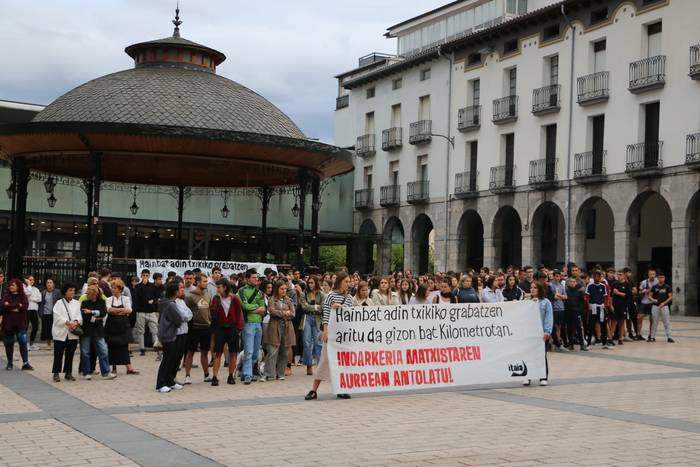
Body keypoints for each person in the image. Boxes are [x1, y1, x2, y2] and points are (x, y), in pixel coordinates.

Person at [306, 272, 354, 400]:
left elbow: (351, 314)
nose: (348, 284)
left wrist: (341, 307)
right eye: (346, 281)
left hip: (344, 334)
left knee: (343, 362)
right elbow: (326, 315)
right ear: (339, 282)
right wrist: (325, 331)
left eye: (349, 282)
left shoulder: (349, 297)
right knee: (325, 360)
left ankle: (341, 388)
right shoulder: (330, 296)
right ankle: (313, 389)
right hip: (332, 333)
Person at [210, 278, 243, 386]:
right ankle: (214, 377)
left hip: (232, 328)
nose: (217, 289)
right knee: (217, 353)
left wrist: (238, 329)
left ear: (225, 287)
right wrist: (216, 302)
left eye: (219, 287)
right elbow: (212, 311)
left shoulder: (234, 298)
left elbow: (239, 314)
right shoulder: (216, 298)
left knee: (233, 353)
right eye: (216, 287)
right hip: (220, 328)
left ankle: (230, 376)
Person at [79, 285, 116, 380]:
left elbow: (103, 313)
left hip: (98, 331)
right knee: (85, 352)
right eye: (87, 293)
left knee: (103, 350)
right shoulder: (84, 302)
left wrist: (91, 312)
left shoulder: (102, 302)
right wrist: (96, 316)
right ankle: (86, 372)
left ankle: (106, 372)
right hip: (86, 331)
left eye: (89, 294)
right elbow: (84, 317)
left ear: (95, 294)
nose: (87, 295)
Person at [156, 278, 185, 393]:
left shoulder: (167, 303)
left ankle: (170, 381)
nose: (181, 291)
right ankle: (160, 383)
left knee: (171, 359)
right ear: (175, 292)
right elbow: (179, 319)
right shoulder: (171, 305)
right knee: (167, 360)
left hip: (169, 334)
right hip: (168, 335)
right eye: (179, 289)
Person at [104, 279, 139, 375]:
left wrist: (116, 310)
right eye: (112, 288)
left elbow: (129, 310)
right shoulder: (109, 299)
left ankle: (129, 368)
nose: (113, 290)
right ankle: (113, 368)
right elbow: (109, 310)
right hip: (111, 326)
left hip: (123, 326)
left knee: (124, 346)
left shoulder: (125, 299)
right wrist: (121, 310)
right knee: (111, 346)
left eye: (115, 288)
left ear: (120, 289)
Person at [264, 280, 295, 381]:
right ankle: (268, 373)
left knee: (284, 352)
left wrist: (283, 313)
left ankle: (280, 373)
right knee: (272, 351)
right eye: (282, 289)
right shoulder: (272, 299)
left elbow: (293, 313)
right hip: (274, 327)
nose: (284, 291)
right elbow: (272, 311)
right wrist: (285, 313)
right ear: (277, 289)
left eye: (285, 289)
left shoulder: (288, 300)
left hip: (286, 327)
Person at [184, 272, 212, 384]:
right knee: (190, 352)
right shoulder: (190, 296)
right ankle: (187, 376)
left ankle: (206, 375)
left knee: (205, 352)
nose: (206, 283)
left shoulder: (207, 294)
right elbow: (186, 311)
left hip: (206, 327)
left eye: (207, 281)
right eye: (204, 281)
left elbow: (208, 311)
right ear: (198, 282)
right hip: (194, 327)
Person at [239, 269, 266, 385]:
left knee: (255, 352)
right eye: (254, 277)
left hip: (258, 324)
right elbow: (244, 306)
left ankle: (247, 371)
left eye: (257, 278)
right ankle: (247, 375)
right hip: (248, 323)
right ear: (247, 278)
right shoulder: (241, 291)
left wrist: (254, 309)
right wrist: (257, 309)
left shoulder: (260, 293)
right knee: (248, 351)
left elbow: (264, 309)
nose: (256, 280)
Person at [51, 282, 83, 382]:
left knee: (70, 354)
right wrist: (67, 322)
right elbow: (56, 316)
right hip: (61, 332)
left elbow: (79, 316)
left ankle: (68, 373)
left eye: (73, 290)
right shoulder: (59, 303)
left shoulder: (77, 303)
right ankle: (56, 373)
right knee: (58, 354)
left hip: (72, 333)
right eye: (70, 290)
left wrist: (76, 322)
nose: (72, 292)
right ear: (65, 292)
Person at [524, 282, 552, 387]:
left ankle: (543, 376)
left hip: (541, 333)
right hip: (528, 333)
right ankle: (527, 376)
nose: (532, 289)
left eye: (535, 287)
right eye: (531, 287)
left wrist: (547, 331)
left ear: (539, 289)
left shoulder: (545, 302)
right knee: (527, 355)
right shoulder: (526, 301)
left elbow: (549, 317)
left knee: (541, 355)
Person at [1, 278, 33, 371]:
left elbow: (24, 307)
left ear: (18, 286)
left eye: (13, 285)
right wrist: (17, 305)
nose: (11, 286)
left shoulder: (23, 296)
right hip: (8, 324)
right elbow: (2, 307)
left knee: (23, 342)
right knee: (9, 343)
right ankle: (10, 363)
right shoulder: (6, 296)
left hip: (20, 324)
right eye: (10, 285)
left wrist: (9, 306)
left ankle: (25, 363)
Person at [299, 275, 325, 376]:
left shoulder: (322, 294)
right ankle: (309, 365)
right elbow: (304, 307)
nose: (310, 285)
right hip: (307, 318)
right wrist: (315, 306)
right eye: (309, 283)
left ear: (316, 283)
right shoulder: (303, 294)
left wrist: (312, 307)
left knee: (319, 343)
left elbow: (322, 307)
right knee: (307, 343)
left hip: (318, 319)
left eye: (312, 283)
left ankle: (319, 367)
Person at [133, 269, 160, 356]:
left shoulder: (153, 286)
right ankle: (142, 348)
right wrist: (143, 285)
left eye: (146, 275)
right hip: (141, 311)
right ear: (141, 276)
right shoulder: (138, 286)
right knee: (141, 331)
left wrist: (154, 301)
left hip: (151, 311)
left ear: (149, 276)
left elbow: (157, 297)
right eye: (143, 275)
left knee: (154, 330)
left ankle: (156, 346)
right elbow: (137, 297)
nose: (145, 277)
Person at [585, 271, 611, 349]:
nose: (596, 278)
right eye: (595, 276)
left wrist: (605, 305)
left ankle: (604, 343)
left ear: (600, 277)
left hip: (601, 308)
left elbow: (606, 297)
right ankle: (588, 344)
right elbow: (586, 296)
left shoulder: (603, 286)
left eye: (598, 277)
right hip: (593, 307)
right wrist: (588, 305)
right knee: (591, 326)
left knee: (603, 326)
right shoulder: (590, 286)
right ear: (593, 277)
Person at [564, 276, 588, 351]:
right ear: (568, 283)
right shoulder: (566, 291)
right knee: (569, 328)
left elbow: (583, 302)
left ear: (576, 282)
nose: (572, 283)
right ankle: (571, 344)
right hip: (568, 312)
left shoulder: (580, 291)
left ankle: (582, 345)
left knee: (579, 328)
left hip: (577, 312)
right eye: (571, 282)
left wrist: (580, 311)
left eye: (574, 282)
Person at [649, 272, 674, 343]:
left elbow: (670, 297)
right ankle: (652, 337)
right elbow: (649, 296)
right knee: (654, 322)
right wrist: (653, 299)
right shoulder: (654, 287)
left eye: (662, 277)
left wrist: (664, 303)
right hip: (655, 306)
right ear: (658, 278)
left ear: (664, 278)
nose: (661, 279)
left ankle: (669, 337)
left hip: (664, 306)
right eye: (660, 277)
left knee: (666, 322)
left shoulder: (667, 287)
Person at [611, 270, 631, 345]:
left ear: (624, 276)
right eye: (618, 274)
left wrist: (618, 293)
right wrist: (611, 305)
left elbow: (628, 295)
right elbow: (611, 295)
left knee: (621, 322)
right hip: (614, 305)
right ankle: (610, 338)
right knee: (613, 321)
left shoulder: (627, 284)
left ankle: (620, 338)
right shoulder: (614, 284)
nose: (619, 276)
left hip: (623, 305)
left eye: (621, 275)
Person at [549, 270, 568, 351]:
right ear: (553, 276)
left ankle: (558, 342)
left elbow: (566, 297)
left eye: (559, 276)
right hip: (554, 308)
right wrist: (561, 296)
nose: (557, 278)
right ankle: (552, 343)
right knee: (553, 327)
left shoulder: (561, 285)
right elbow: (554, 297)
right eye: (556, 276)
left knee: (559, 326)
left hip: (561, 308)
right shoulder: (551, 285)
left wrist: (559, 295)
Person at [40, 278, 62, 350]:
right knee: (47, 329)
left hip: (54, 313)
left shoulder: (57, 292)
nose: (49, 284)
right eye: (48, 282)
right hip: (46, 313)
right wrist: (41, 312)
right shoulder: (43, 292)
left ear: (53, 284)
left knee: (55, 329)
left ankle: (56, 343)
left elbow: (60, 302)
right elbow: (42, 303)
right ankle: (48, 344)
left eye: (50, 282)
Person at [639, 268, 658, 341]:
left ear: (655, 275)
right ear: (648, 274)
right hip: (644, 302)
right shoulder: (644, 282)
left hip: (653, 303)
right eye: (651, 274)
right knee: (639, 317)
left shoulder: (658, 282)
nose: (652, 275)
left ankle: (651, 335)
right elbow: (639, 292)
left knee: (652, 319)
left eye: (653, 274)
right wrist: (644, 291)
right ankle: (638, 334)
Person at [24, 275, 42, 351]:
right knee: (26, 327)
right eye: (30, 279)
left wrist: (31, 298)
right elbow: (27, 294)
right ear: (27, 280)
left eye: (33, 279)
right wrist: (28, 285)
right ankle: (25, 344)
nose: (32, 281)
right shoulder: (24, 287)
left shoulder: (36, 289)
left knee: (35, 326)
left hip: (34, 310)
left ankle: (31, 343)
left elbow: (39, 299)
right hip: (27, 310)